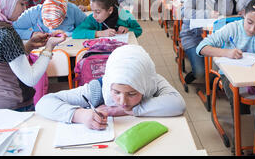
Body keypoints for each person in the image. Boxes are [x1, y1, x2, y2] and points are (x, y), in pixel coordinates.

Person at [35, 45, 186, 128]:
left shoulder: (153, 82)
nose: (122, 101)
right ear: (109, 85)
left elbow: (178, 104)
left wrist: (121, 111)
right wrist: (80, 115)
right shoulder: (99, 89)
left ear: (144, 85)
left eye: (132, 94)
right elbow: (44, 103)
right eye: (116, 92)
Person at [179, 0, 233, 83]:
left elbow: (228, 11)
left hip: (213, 36)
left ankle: (208, 74)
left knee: (221, 69)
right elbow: (184, 12)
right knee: (201, 73)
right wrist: (207, 14)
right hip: (193, 36)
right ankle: (196, 72)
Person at [72, 0, 142, 39]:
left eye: (98, 12)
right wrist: (99, 33)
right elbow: (75, 33)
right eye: (93, 11)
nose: (94, 15)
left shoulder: (125, 15)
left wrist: (128, 30)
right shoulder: (93, 18)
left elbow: (138, 30)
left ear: (110, 10)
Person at [13, 0, 87, 39]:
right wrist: (31, 34)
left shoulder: (73, 10)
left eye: (56, 25)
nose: (51, 29)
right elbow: (12, 30)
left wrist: (67, 34)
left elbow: (88, 27)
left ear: (64, 16)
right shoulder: (33, 12)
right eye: (47, 24)